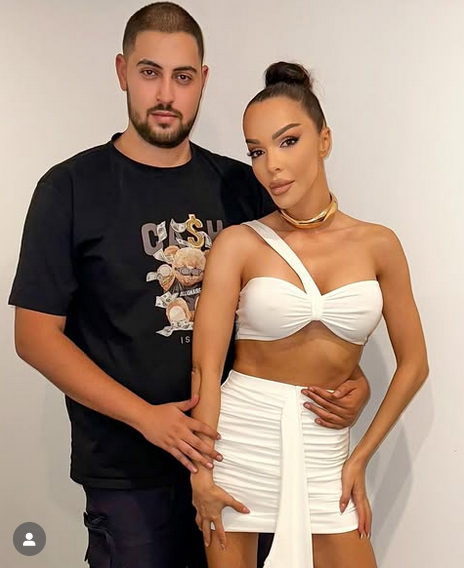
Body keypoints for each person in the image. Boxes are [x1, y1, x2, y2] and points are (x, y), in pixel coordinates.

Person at [9, 4, 371, 568]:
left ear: (202, 81)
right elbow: (34, 336)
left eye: (182, 77)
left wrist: (354, 381)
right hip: (129, 470)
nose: (166, 94)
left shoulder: (243, 185)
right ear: (122, 72)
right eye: (149, 72)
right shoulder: (70, 188)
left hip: (245, 459)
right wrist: (146, 418)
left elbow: (295, 306)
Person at [190, 61, 429, 568]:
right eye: (257, 151)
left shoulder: (379, 244)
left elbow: (414, 365)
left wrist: (360, 456)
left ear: (324, 140)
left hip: (325, 449)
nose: (271, 165)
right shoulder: (238, 244)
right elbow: (206, 369)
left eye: (288, 141)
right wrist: (201, 475)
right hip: (239, 442)